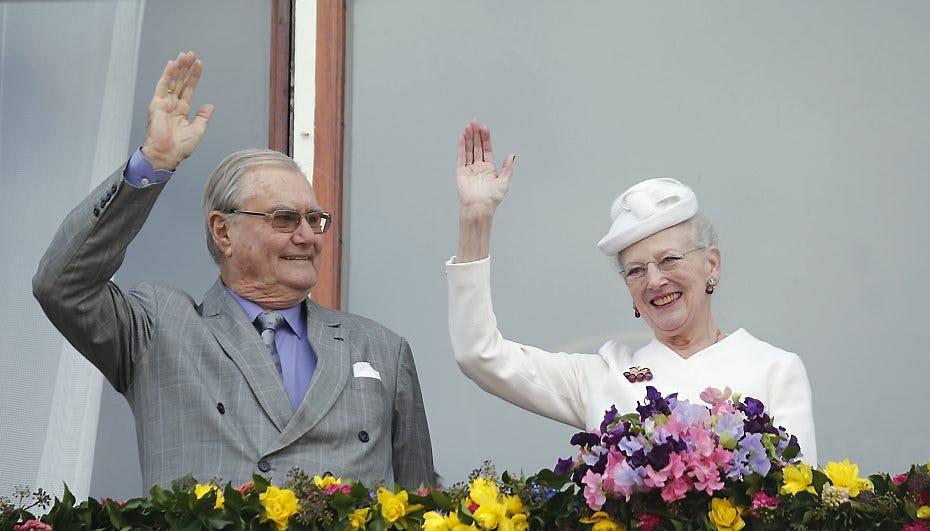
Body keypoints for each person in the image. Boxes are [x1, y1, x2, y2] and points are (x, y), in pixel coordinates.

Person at [33, 51, 437, 489]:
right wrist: (153, 162)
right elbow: (63, 284)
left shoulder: (381, 350)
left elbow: (422, 503)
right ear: (223, 232)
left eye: (315, 219)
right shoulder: (159, 329)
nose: (307, 236)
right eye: (284, 219)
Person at [446, 119, 817, 465]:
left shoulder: (774, 369)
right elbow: (480, 355)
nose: (654, 281)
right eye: (636, 271)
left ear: (712, 265)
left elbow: (799, 501)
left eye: (669, 259)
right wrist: (475, 221)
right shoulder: (605, 376)